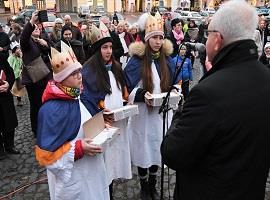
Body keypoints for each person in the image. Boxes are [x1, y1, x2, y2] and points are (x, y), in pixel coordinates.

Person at [161, 1, 270, 200]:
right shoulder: (266, 79)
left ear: (218, 39)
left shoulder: (207, 93)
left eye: (209, 33)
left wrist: (179, 113)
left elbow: (173, 153)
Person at [36, 41, 109, 200]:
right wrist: (78, 148)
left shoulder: (79, 96)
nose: (79, 75)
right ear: (61, 79)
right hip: (73, 180)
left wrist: (103, 125)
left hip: (93, 171)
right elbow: (47, 157)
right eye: (73, 73)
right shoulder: (50, 110)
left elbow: (86, 123)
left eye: (79, 71)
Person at [125, 12, 178, 200]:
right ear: (147, 40)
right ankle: (144, 186)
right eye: (155, 37)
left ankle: (153, 184)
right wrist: (141, 95)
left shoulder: (167, 59)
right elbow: (127, 88)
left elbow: (174, 81)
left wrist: (175, 91)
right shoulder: (137, 60)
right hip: (143, 115)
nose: (158, 41)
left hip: (161, 114)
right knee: (143, 149)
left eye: (161, 37)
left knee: (157, 148)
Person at [80, 21, 131, 200]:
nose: (109, 51)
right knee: (104, 164)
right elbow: (86, 100)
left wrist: (125, 106)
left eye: (110, 47)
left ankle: (110, 192)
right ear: (97, 49)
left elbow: (124, 91)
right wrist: (101, 114)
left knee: (115, 160)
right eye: (104, 47)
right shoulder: (89, 70)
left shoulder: (116, 67)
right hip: (103, 125)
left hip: (118, 123)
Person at [20, 11, 52, 137]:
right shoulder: (27, 43)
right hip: (33, 81)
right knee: (36, 105)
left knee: (45, 103)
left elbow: (53, 52)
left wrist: (47, 45)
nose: (37, 28)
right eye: (35, 28)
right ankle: (36, 129)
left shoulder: (41, 41)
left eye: (39, 27)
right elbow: (24, 37)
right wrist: (32, 22)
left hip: (45, 78)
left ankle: (45, 125)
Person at [0, 52, 20, 160]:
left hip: (5, 96)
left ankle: (9, 146)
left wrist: (8, 82)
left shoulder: (1, 57)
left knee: (9, 122)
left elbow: (10, 73)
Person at [8, 41, 26, 106]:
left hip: (18, 75)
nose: (19, 50)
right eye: (17, 49)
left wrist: (21, 57)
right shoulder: (11, 58)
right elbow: (10, 67)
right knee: (12, 88)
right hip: (13, 76)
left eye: (19, 49)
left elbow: (22, 64)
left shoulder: (19, 58)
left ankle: (19, 100)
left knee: (19, 88)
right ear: (14, 50)